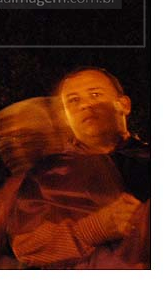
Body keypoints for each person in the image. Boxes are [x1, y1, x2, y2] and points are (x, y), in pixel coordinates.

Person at [8, 67, 150, 269]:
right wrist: (95, 228)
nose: (85, 105)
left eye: (95, 94)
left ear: (124, 105)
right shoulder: (46, 176)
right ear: (66, 115)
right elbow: (26, 247)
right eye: (73, 100)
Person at [0, 97, 67, 268]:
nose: (12, 147)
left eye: (21, 136)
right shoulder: (6, 196)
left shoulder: (71, 180)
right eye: (4, 140)